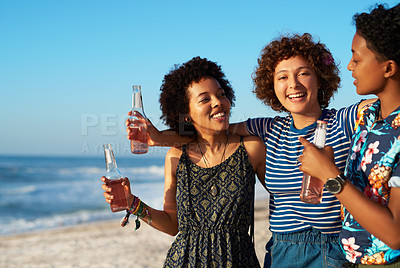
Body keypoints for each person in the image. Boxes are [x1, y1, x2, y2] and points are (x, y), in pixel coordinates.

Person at [128, 33, 374, 268]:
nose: (294, 84)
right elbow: (210, 131)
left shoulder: (345, 120)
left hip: (328, 250)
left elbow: (389, 105)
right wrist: (159, 139)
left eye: (304, 73)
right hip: (278, 251)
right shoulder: (268, 129)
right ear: (271, 85)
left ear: (320, 77)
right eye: (282, 77)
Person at [102, 57, 266, 267]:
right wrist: (132, 203)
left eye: (221, 94)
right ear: (187, 114)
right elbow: (172, 226)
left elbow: (283, 196)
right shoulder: (176, 157)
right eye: (204, 99)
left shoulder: (252, 148)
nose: (218, 102)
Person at [298, 3, 400, 266]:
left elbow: (396, 234)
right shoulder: (368, 119)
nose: (350, 67)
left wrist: (330, 175)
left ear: (388, 68)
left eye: (357, 58)